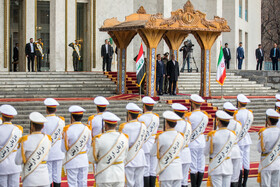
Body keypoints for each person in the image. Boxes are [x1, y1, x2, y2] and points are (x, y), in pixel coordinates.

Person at [89, 112, 129, 187]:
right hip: (119, 175)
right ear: (116, 125)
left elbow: (91, 158)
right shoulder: (124, 138)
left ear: (105, 125)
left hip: (104, 175)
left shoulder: (99, 139)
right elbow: (126, 155)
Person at [15, 112, 51, 187]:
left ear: (32, 126)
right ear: (43, 126)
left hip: (30, 178)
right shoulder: (48, 139)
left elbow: (18, 161)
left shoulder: (25, 140)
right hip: (45, 178)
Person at [151, 111, 184, 187]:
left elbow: (152, 153)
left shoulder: (161, 137)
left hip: (166, 171)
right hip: (178, 170)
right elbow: (180, 150)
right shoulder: (180, 136)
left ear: (166, 123)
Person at [61, 105, 92, 187]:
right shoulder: (87, 129)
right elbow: (89, 145)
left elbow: (63, 149)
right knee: (83, 182)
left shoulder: (67, 130)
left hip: (72, 160)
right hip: (83, 158)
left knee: (72, 183)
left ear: (72, 117)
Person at [205, 110, 236, 187]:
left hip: (216, 167)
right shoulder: (232, 135)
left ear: (219, 122)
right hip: (228, 165)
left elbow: (205, 152)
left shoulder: (213, 135)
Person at [119, 103, 147, 187]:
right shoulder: (143, 126)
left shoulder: (124, 127)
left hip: (129, 156)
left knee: (129, 183)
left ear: (129, 115)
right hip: (140, 156)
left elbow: (122, 142)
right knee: (139, 183)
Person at [185, 94, 209, 187]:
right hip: (202, 141)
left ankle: (193, 185)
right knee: (201, 165)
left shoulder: (189, 116)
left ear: (193, 104)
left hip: (193, 142)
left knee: (193, 166)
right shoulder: (205, 116)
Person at [41, 98, 65, 187]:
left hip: (48, 150)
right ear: (55, 109)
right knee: (57, 174)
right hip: (58, 150)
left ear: (46, 109)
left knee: (48, 173)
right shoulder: (61, 121)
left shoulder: (43, 121)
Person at [138, 96, 159, 187]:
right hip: (154, 143)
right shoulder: (156, 118)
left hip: (145, 144)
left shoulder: (141, 118)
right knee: (153, 169)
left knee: (146, 168)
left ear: (144, 106)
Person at [0, 105, 22, 187]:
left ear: (2, 116)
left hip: (2, 164)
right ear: (12, 117)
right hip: (14, 164)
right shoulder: (18, 130)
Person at [257, 109, 280, 187]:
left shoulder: (264, 132)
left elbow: (259, 149)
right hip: (277, 161)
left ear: (268, 121)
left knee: (265, 185)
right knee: (276, 184)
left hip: (266, 162)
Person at [172, 103, 192, 187]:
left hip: (177, 153)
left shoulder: (174, 125)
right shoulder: (188, 124)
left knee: (176, 179)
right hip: (186, 152)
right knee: (184, 180)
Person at [235, 94, 253, 187]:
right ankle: (245, 182)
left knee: (240, 160)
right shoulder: (250, 113)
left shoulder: (236, 113)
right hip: (246, 137)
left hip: (239, 138)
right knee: (246, 160)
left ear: (238, 102)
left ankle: (239, 182)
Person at [223, 102, 242, 187]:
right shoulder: (237, 123)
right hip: (236, 149)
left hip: (227, 150)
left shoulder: (223, 123)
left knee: (227, 175)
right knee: (235, 177)